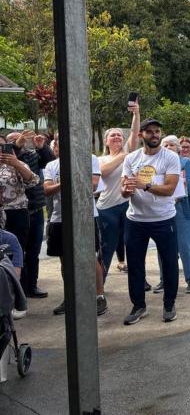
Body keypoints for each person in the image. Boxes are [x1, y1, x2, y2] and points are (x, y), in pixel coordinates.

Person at [121, 118, 181, 325]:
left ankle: (169, 304)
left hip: (163, 219)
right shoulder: (131, 158)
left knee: (169, 262)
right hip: (135, 219)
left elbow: (170, 189)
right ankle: (139, 306)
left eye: (157, 131)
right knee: (135, 264)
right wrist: (126, 190)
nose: (155, 135)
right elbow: (123, 189)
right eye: (150, 132)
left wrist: (143, 185)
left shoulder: (171, 157)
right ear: (141, 135)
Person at [43, 134, 109, 316]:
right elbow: (47, 190)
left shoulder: (90, 159)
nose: (61, 143)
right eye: (58, 141)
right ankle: (70, 297)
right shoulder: (51, 165)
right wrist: (66, 182)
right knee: (65, 260)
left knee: (91, 257)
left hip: (85, 216)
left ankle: (99, 296)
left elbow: (93, 184)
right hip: (59, 218)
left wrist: (61, 184)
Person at [6, 130, 55, 299]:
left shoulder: (32, 155)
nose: (17, 142)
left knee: (33, 252)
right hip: (14, 213)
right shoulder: (7, 160)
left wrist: (42, 148)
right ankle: (16, 289)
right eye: (11, 141)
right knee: (15, 251)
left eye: (19, 139)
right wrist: (16, 148)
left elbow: (51, 164)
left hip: (35, 209)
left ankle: (31, 286)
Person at [97, 102, 140, 279]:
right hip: (107, 209)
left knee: (133, 245)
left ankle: (140, 280)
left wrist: (136, 114)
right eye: (112, 135)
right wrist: (123, 155)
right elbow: (104, 172)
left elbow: (135, 133)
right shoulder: (100, 159)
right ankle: (100, 285)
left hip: (127, 206)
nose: (117, 137)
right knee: (107, 247)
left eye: (119, 135)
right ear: (106, 141)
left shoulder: (130, 151)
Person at [0, 134, 40, 297]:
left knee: (17, 253)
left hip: (16, 213)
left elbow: (33, 181)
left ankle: (18, 294)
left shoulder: (17, 164)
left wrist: (16, 163)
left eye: (3, 146)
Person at [161, 135, 190, 293]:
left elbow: (189, 187)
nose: (168, 147)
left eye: (172, 145)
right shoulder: (158, 163)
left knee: (187, 246)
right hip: (162, 209)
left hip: (183, 208)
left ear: (178, 148)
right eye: (166, 145)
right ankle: (165, 280)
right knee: (164, 247)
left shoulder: (185, 162)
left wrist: (173, 193)